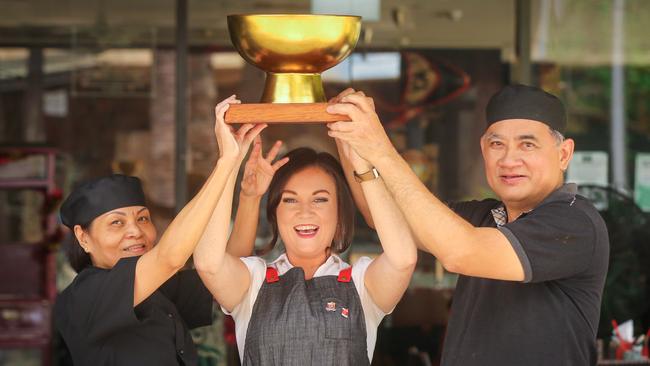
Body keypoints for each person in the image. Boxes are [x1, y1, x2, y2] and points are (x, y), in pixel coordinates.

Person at [326, 84, 610, 365]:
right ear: (483, 150)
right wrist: (347, 137)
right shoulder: (481, 217)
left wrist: (381, 150)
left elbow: (461, 252)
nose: (509, 159)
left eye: (527, 144)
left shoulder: (574, 221)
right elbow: (383, 217)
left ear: (564, 154)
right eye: (497, 144)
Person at [192, 103, 418, 364]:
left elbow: (403, 259)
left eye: (320, 200)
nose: (305, 211)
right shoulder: (253, 282)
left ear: (340, 213)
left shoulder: (361, 282)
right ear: (275, 213)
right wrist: (228, 165)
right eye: (289, 200)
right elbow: (209, 263)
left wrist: (364, 165)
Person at [54, 96, 265, 366]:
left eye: (143, 219)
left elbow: (226, 268)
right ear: (83, 237)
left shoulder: (160, 290)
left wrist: (247, 192)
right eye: (116, 223)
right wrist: (224, 162)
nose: (136, 232)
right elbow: (169, 258)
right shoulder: (82, 298)